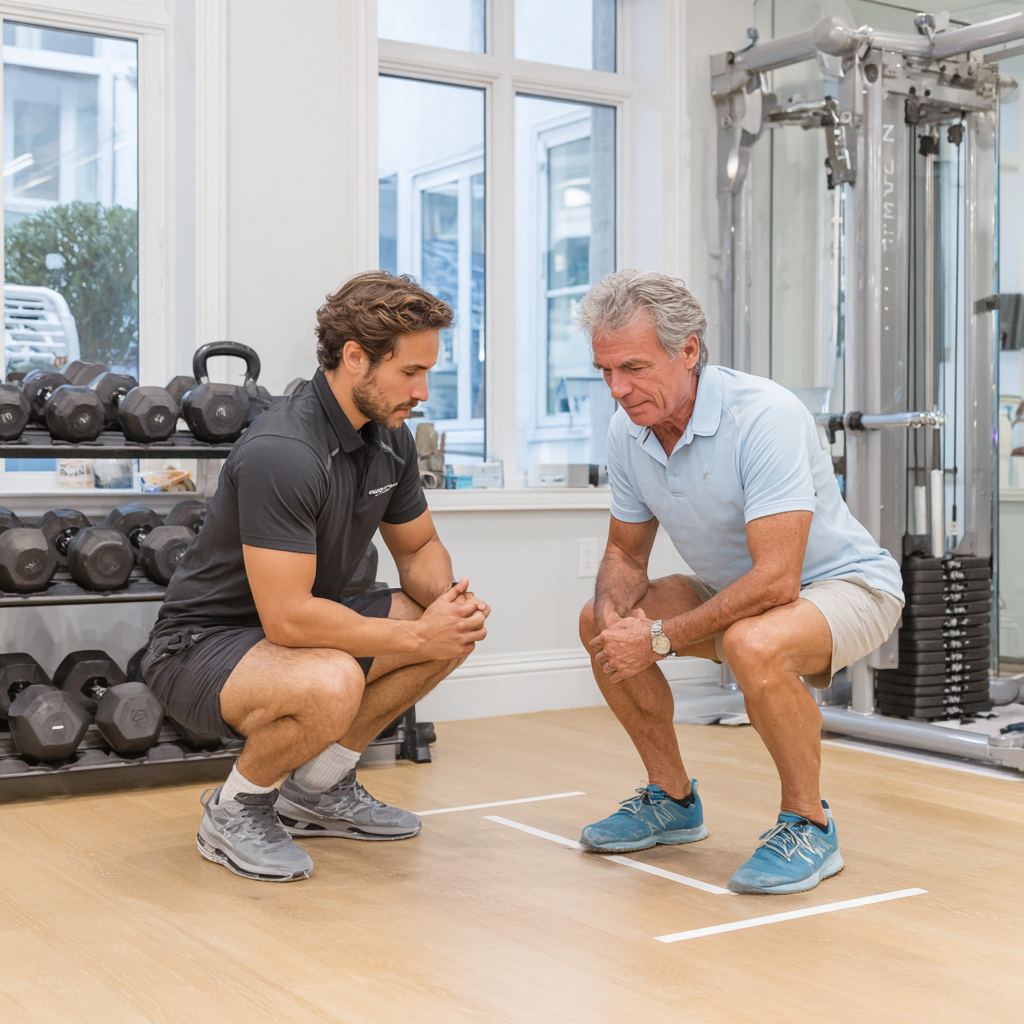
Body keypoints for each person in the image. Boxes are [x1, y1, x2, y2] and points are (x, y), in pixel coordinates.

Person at [143, 272, 490, 882]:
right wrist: (415, 638)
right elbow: (289, 618)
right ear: (355, 358)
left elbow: (420, 547)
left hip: (296, 631)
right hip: (202, 648)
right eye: (411, 372)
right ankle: (234, 810)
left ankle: (319, 790)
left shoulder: (391, 439)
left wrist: (446, 606)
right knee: (332, 680)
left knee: (453, 627)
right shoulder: (285, 450)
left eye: (428, 372)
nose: (424, 390)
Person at [576, 270, 904, 895]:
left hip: (846, 587)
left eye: (635, 368)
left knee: (756, 641)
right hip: (741, 593)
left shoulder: (765, 415)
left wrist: (662, 639)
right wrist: (621, 623)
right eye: (606, 371)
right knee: (600, 620)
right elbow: (624, 551)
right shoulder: (629, 430)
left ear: (689, 350)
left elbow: (779, 580)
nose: (619, 389)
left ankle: (810, 822)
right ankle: (671, 800)